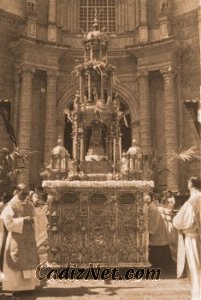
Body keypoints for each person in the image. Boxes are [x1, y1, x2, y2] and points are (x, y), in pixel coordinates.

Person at [0, 184, 39, 296]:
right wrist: (23, 220)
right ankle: (14, 287)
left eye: (27, 193)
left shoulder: (30, 205)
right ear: (16, 192)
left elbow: (37, 219)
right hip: (16, 239)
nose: (25, 196)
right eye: (23, 193)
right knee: (16, 259)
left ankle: (29, 286)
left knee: (29, 259)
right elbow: (8, 223)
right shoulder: (10, 206)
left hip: (29, 238)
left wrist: (33, 220)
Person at [173, 176, 201, 300]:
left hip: (193, 238)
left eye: (188, 182)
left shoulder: (192, 200)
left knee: (196, 267)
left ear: (191, 185)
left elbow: (179, 221)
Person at [145, 192, 172, 268]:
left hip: (157, 232)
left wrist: (149, 233)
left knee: (158, 249)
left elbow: (153, 222)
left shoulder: (152, 208)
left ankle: (162, 265)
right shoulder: (149, 207)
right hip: (157, 231)